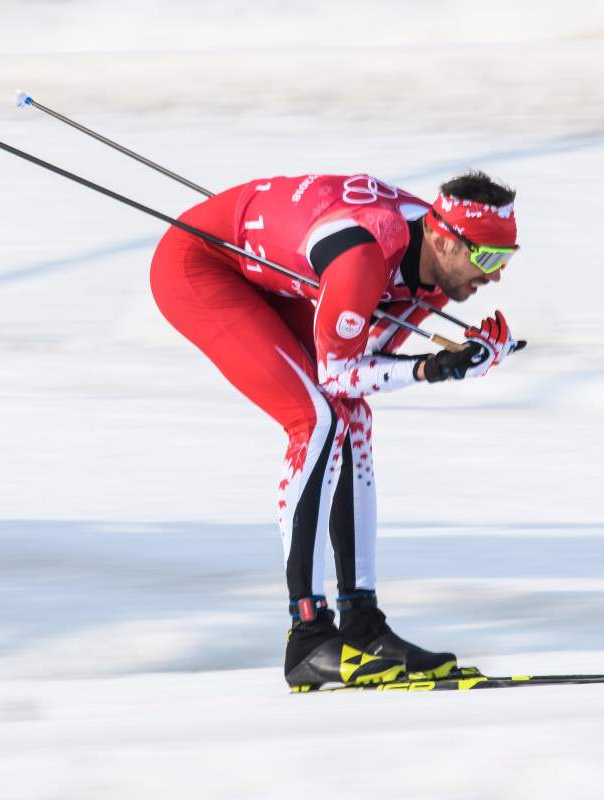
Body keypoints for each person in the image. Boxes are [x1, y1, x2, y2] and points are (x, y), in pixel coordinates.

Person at [150, 170, 520, 688]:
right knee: (316, 418)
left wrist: (463, 359)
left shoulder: (432, 268)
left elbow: (365, 360)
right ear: (442, 238)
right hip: (201, 264)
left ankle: (362, 623)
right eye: (486, 258)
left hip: (269, 271)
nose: (496, 275)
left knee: (354, 419)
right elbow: (339, 373)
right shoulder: (365, 257)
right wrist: (430, 368)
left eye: (505, 259)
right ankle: (307, 635)